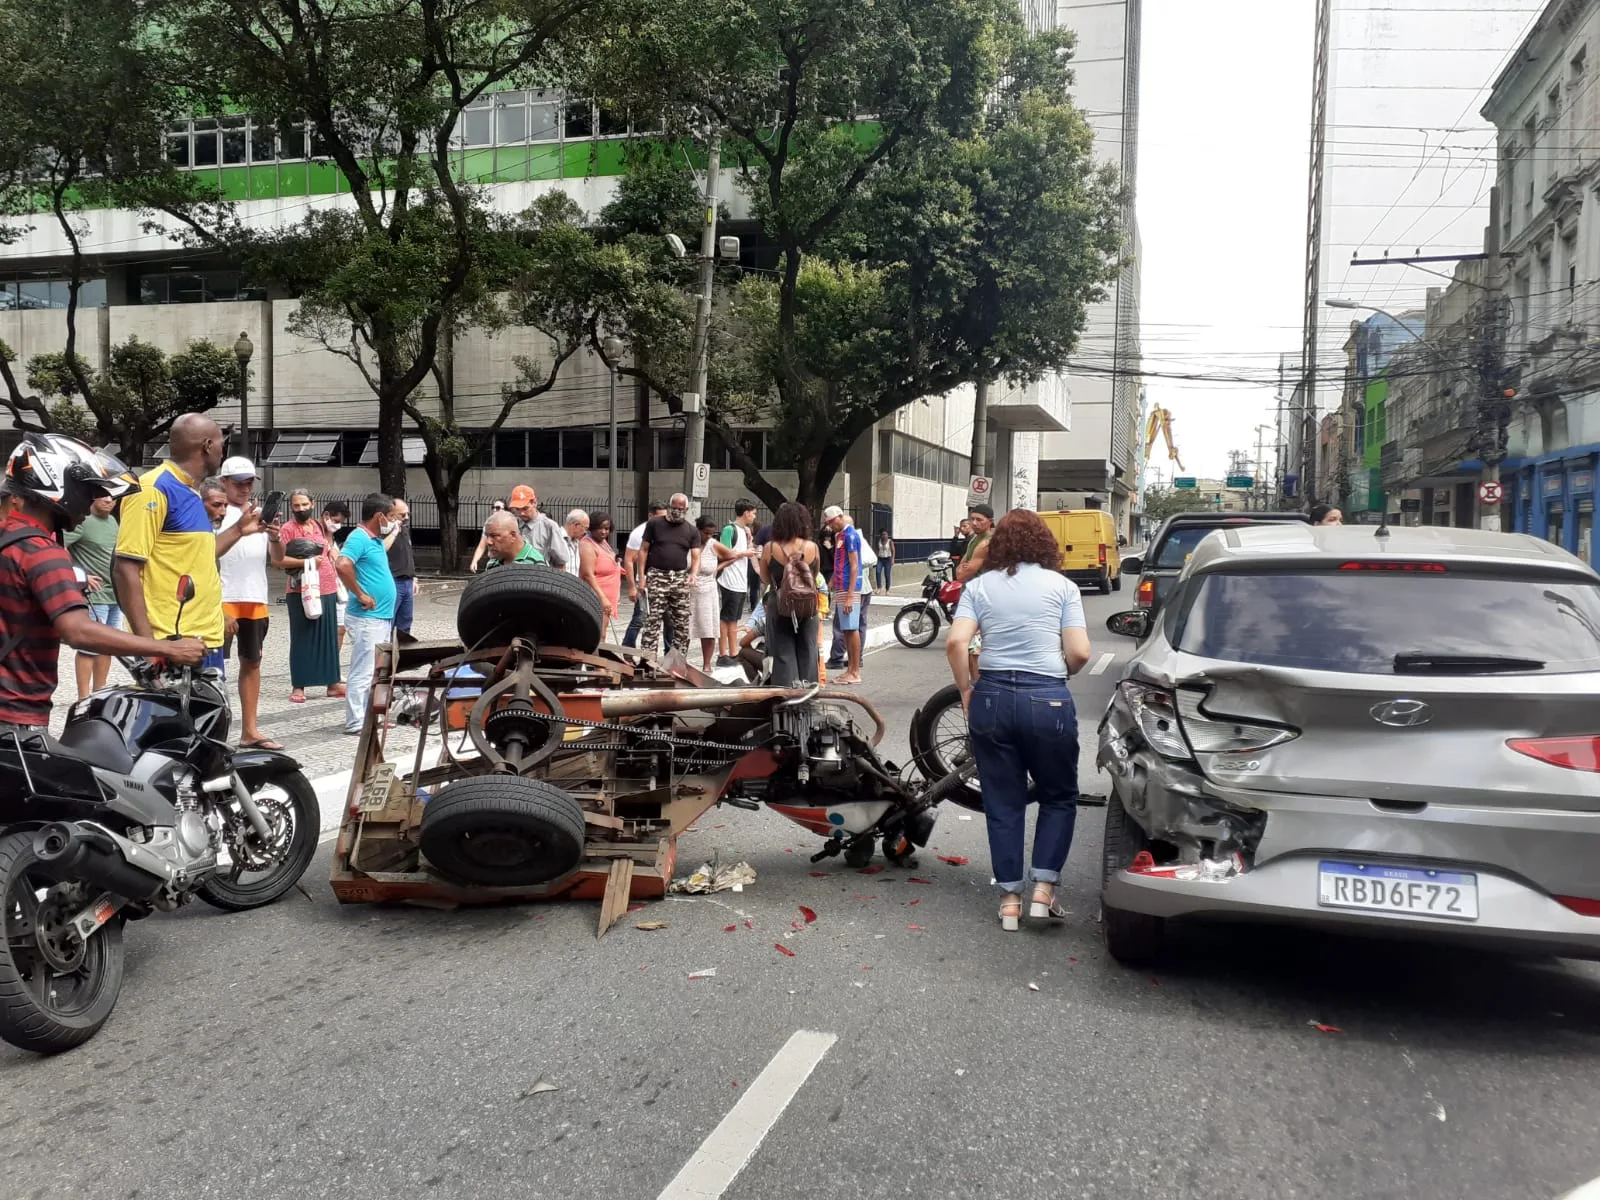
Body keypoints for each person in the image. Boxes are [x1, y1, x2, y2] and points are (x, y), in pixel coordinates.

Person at [0, 434, 205, 738]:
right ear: (57, 486)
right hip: (16, 718)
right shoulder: (42, 551)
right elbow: (78, 631)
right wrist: (166, 648)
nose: (91, 500)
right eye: (86, 490)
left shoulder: (8, 538)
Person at [945, 509, 1091, 933]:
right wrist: (1058, 673)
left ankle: (1010, 898)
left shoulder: (980, 586)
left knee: (1003, 802)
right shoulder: (1063, 587)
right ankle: (1043, 890)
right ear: (1044, 544)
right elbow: (1079, 653)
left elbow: (957, 641)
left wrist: (966, 689)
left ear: (1000, 544)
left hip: (990, 696)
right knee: (1058, 795)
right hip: (1046, 697)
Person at [114, 413, 257, 676]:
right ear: (206, 446)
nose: (222, 452)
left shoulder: (194, 492)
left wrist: (238, 530)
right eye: (221, 444)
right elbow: (125, 568)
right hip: (172, 646)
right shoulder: (153, 489)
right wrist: (150, 649)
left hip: (205, 642)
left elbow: (196, 560)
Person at [216, 457, 280, 749]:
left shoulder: (258, 514)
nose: (244, 487)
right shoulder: (216, 513)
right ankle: (212, 732)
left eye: (249, 482)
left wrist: (275, 537)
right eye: (237, 482)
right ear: (224, 482)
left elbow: (277, 560)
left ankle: (250, 730)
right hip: (223, 597)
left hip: (255, 596)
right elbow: (207, 555)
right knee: (214, 669)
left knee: (252, 663)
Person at [272, 488, 344, 704]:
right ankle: (299, 685)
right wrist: (307, 562)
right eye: (296, 505)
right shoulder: (287, 529)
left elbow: (327, 546)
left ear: (313, 503)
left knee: (329, 637)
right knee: (302, 636)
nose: (300, 509)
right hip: (300, 588)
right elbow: (278, 560)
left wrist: (331, 551)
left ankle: (332, 682)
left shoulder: (318, 526)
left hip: (327, 586)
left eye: (304, 504)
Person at [336, 493, 398, 734]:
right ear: (379, 516)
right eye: (391, 517)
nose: (393, 521)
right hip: (366, 617)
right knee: (363, 669)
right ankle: (355, 720)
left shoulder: (374, 540)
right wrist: (360, 594)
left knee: (375, 669)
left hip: (379, 616)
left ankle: (370, 716)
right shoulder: (359, 537)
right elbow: (342, 564)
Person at [65, 491, 121, 699]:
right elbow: (58, 544)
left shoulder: (113, 521)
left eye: (113, 497)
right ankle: (83, 699)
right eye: (104, 496)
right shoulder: (84, 521)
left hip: (114, 595)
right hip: (94, 596)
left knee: (108, 645)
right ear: (93, 497)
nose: (109, 500)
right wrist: (79, 575)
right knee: (89, 648)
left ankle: (99, 695)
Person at [759, 501, 820, 686]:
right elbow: (814, 576)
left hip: (779, 605)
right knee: (808, 649)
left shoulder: (770, 548)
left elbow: (765, 578)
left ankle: (787, 694)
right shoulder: (812, 547)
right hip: (808, 606)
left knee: (782, 651)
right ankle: (808, 695)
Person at [640, 493, 701, 656]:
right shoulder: (654, 524)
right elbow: (644, 549)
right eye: (673, 508)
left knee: (682, 623)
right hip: (657, 576)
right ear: (669, 507)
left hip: (679, 578)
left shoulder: (691, 530)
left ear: (686, 510)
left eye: (680, 509)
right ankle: (648, 659)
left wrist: (693, 573)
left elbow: (696, 556)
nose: (676, 511)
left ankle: (678, 660)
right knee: (652, 619)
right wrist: (642, 576)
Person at [822, 505, 864, 685]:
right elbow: (840, 563)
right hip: (842, 586)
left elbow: (855, 566)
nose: (830, 526)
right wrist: (831, 582)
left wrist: (849, 595)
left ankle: (854, 671)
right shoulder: (840, 536)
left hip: (849, 588)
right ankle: (850, 670)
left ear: (839, 517)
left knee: (851, 628)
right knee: (846, 629)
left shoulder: (851, 535)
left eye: (831, 522)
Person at [621, 501, 666, 648]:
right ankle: (628, 648)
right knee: (639, 618)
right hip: (645, 582)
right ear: (651, 516)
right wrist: (632, 586)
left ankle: (669, 653)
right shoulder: (639, 533)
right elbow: (628, 560)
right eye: (659, 517)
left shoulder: (667, 530)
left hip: (664, 580)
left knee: (669, 620)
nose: (662, 520)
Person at [717, 500, 758, 663]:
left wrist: (749, 543)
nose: (754, 517)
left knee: (734, 618)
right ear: (746, 512)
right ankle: (723, 653)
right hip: (729, 579)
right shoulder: (729, 529)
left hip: (740, 580)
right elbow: (724, 553)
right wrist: (744, 553)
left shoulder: (745, 531)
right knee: (727, 617)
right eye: (753, 513)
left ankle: (733, 652)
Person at [578, 512, 621, 634]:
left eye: (606, 529)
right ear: (592, 528)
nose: (603, 532)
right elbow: (588, 575)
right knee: (597, 635)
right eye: (599, 528)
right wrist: (603, 598)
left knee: (603, 633)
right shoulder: (587, 544)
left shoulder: (602, 542)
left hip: (608, 598)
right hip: (597, 597)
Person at [509, 484, 570, 570]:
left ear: (534, 502)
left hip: (540, 577)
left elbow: (561, 561)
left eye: (525, 508)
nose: (521, 513)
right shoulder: (513, 524)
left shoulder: (549, 526)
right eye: (517, 509)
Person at [384, 496, 418, 645]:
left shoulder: (404, 530)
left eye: (407, 514)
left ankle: (401, 654)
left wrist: (414, 577)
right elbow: (381, 549)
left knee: (405, 620)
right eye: (402, 515)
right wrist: (393, 531)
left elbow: (408, 554)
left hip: (407, 581)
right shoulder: (386, 531)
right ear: (391, 515)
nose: (406, 518)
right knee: (389, 621)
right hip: (393, 579)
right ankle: (385, 656)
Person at [321, 496, 352, 654]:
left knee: (341, 628)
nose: (337, 525)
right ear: (326, 515)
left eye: (340, 522)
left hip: (337, 589)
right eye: (335, 520)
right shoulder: (316, 534)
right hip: (320, 588)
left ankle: (333, 666)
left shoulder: (332, 537)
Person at [954, 504, 994, 584]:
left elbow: (961, 575)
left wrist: (965, 566)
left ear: (990, 522)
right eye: (972, 519)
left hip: (980, 590)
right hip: (969, 588)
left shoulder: (986, 543)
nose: (974, 523)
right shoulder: (974, 539)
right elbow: (959, 569)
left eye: (979, 520)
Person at [469, 499, 508, 573]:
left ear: (505, 510)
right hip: (493, 561)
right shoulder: (488, 525)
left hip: (507, 561)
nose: (494, 510)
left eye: (498, 508)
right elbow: (481, 546)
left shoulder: (510, 525)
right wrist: (474, 561)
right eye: (493, 507)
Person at [750, 519, 772, 610]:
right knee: (765, 601)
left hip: (787, 575)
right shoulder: (766, 529)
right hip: (768, 570)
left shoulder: (795, 530)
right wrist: (756, 567)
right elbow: (752, 548)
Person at [560, 509, 588, 577]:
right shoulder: (557, 539)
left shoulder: (578, 543)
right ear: (576, 525)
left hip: (573, 586)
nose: (585, 532)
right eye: (585, 528)